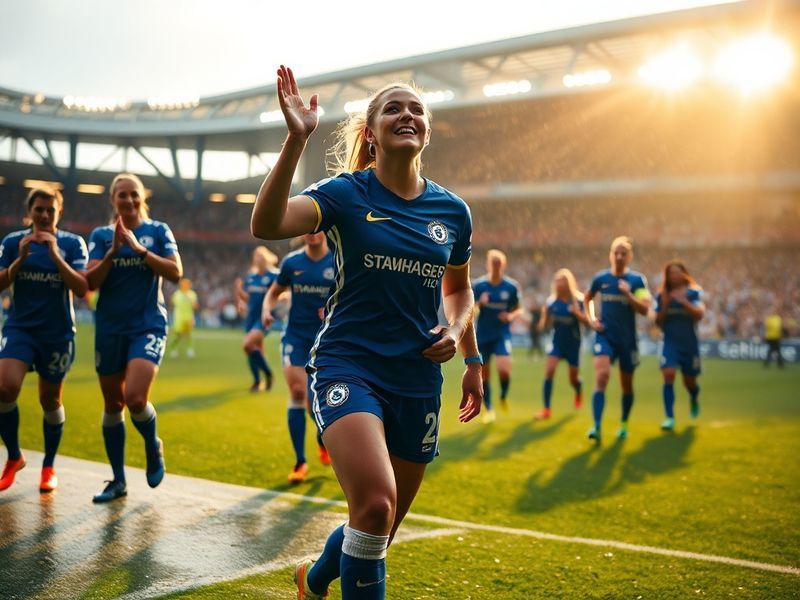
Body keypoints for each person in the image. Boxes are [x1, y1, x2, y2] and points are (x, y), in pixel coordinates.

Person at [250, 65, 482, 600]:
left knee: (379, 527)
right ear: (370, 134)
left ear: (426, 130)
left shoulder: (453, 211)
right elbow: (267, 224)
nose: (407, 114)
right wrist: (295, 140)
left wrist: (467, 351)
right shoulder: (345, 193)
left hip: (418, 379)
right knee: (376, 505)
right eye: (393, 109)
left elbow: (459, 291)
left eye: (416, 109)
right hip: (348, 364)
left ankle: (313, 580)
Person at [86, 173, 183, 503]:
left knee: (136, 398)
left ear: (143, 198)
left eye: (133, 195)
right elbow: (89, 283)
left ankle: (152, 446)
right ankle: (117, 480)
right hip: (110, 328)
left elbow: (175, 272)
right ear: (113, 200)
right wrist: (114, 251)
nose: (128, 200)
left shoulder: (158, 231)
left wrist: (139, 250)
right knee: (112, 404)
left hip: (147, 325)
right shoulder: (100, 236)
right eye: (121, 196)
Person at [0, 188, 88, 493]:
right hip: (20, 329)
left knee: (49, 400)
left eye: (50, 210)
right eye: (39, 209)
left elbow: (81, 288)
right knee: (4, 388)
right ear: (30, 211)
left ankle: (49, 466)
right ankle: (14, 456)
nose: (45, 215)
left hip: (57, 333)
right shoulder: (13, 242)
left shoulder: (71, 243)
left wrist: (55, 256)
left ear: (58, 212)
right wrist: (20, 260)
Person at [262, 232, 335, 484]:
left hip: (327, 340)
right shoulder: (292, 263)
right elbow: (274, 291)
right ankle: (300, 461)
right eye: (308, 229)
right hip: (295, 337)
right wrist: (266, 309)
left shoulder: (338, 260)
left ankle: (322, 439)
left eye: (317, 228)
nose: (312, 233)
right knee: (297, 391)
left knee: (317, 402)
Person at [585, 236, 651, 443]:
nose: (620, 256)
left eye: (624, 253)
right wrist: (592, 319)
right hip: (605, 336)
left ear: (629, 257)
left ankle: (623, 423)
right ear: (611, 255)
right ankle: (596, 426)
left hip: (627, 340)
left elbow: (645, 308)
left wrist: (628, 295)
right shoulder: (600, 279)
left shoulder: (637, 281)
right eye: (616, 253)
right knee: (602, 376)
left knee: (627, 386)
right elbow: (587, 298)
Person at [472, 249, 522, 421]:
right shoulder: (479, 286)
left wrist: (510, 316)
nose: (495, 266)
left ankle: (503, 395)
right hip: (483, 336)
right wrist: (480, 303)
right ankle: (489, 408)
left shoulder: (511, 287)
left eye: (498, 264)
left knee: (504, 369)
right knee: (484, 374)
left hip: (502, 334)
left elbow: (518, 309)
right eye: (492, 263)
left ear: (503, 265)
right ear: (488, 265)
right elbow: (470, 311)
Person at [654, 261, 705, 430]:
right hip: (670, 343)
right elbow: (658, 322)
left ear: (684, 274)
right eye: (671, 273)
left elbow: (699, 314)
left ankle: (694, 397)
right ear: (667, 277)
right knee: (668, 374)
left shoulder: (693, 293)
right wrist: (666, 305)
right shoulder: (662, 295)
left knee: (689, 382)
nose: (674, 276)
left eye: (677, 272)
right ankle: (669, 417)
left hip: (689, 344)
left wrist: (684, 302)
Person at [535, 269, 589, 420]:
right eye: (557, 281)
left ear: (569, 283)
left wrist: (577, 314)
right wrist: (544, 316)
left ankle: (578, 390)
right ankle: (546, 409)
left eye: (563, 281)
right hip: (557, 343)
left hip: (574, 344)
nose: (560, 284)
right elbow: (542, 327)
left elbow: (588, 323)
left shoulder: (579, 300)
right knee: (549, 371)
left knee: (573, 379)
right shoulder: (551, 302)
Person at [234, 246, 278, 391]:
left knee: (247, 345)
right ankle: (257, 381)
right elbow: (248, 298)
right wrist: (239, 292)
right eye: (256, 256)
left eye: (261, 256)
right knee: (253, 350)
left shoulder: (273, 276)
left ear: (266, 258)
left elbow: (276, 294)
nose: (258, 259)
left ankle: (268, 374)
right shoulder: (251, 277)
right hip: (251, 318)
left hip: (264, 318)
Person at [167, 278, 199, 358]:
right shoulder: (177, 294)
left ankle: (190, 349)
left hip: (188, 317)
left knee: (189, 334)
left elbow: (195, 306)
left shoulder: (192, 294)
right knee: (178, 335)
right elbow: (172, 302)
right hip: (179, 317)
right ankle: (174, 349)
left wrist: (193, 304)